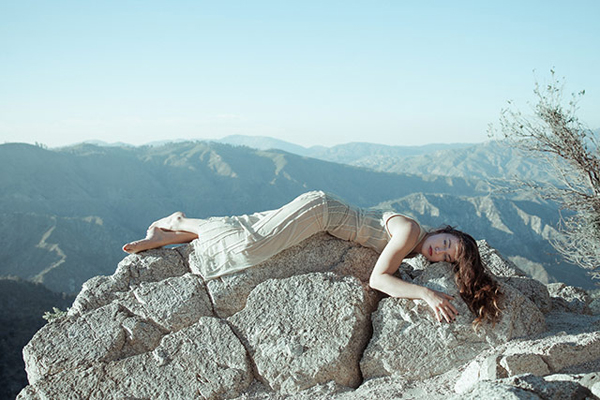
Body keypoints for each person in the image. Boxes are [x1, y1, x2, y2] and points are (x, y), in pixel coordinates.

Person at [123, 191, 502, 326]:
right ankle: (182, 221)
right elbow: (378, 280)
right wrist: (427, 296)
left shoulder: (411, 243)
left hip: (323, 219)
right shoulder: (409, 233)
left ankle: (178, 234)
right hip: (320, 211)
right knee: (250, 246)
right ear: (442, 230)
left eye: (447, 256)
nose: (440, 251)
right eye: (447, 242)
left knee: (251, 234)